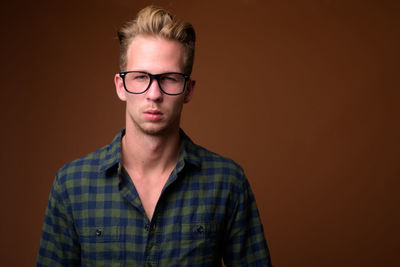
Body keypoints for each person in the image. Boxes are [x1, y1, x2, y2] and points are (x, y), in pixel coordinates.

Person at [37, 5, 272, 266]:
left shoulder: (228, 183)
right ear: (120, 86)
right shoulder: (71, 186)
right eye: (140, 77)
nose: (154, 94)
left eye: (169, 78)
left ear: (188, 90)